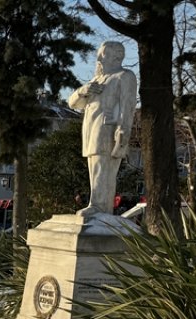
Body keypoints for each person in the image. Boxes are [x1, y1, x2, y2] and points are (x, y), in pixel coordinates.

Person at [67, 40, 137, 220]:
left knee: (103, 170)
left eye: (102, 54)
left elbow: (127, 106)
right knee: (95, 170)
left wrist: (122, 132)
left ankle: (99, 206)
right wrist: (84, 90)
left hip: (107, 130)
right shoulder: (96, 80)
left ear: (116, 57)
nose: (98, 58)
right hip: (91, 131)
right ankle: (97, 205)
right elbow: (73, 103)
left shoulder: (124, 76)